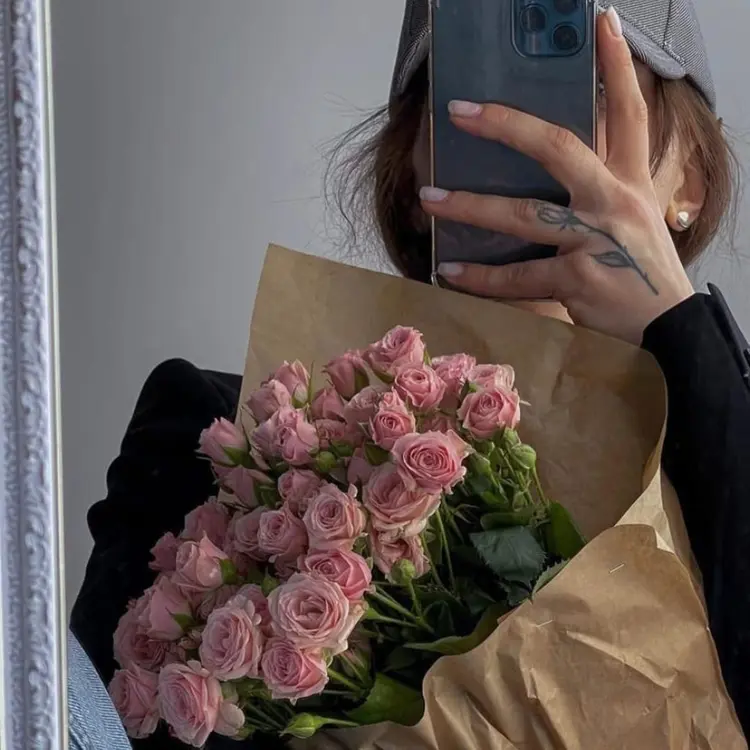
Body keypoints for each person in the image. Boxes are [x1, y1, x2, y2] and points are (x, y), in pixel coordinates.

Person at [71, 0, 750, 745]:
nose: (533, 137)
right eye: (471, 96)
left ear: (690, 182)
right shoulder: (227, 449)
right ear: (412, 174)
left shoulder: (725, 465)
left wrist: (681, 332)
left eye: (588, 95)